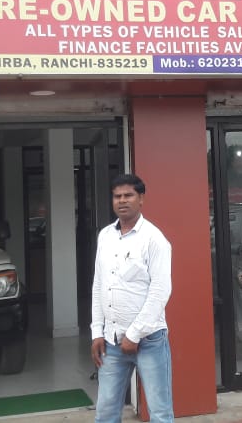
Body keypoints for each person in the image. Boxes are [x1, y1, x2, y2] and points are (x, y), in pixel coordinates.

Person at [90, 174, 173, 423]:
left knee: (159, 412)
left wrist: (134, 335)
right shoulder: (105, 236)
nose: (122, 201)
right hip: (112, 342)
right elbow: (99, 284)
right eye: (117, 196)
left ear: (141, 199)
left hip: (149, 341)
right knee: (105, 412)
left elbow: (160, 291)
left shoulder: (154, 239)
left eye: (128, 195)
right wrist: (97, 331)